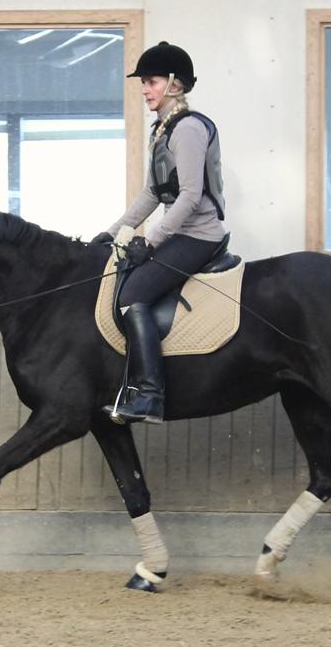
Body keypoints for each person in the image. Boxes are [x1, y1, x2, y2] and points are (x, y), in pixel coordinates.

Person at [91, 41, 228, 424]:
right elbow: (153, 192)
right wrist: (113, 231)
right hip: (181, 232)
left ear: (175, 84)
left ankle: (150, 394)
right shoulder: (161, 130)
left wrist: (150, 241)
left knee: (133, 294)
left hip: (200, 235)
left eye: (151, 82)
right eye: (144, 84)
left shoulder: (189, 129)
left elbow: (189, 196)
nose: (145, 90)